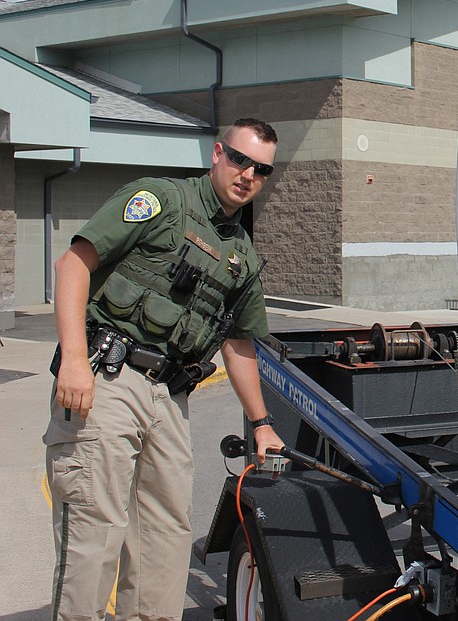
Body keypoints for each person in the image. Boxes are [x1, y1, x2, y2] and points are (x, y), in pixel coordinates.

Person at [45, 118, 285, 621]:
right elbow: (74, 263)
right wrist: (72, 358)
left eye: (261, 169)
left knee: (165, 540)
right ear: (218, 153)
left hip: (169, 400)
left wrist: (262, 423)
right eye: (240, 160)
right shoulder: (160, 201)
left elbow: (238, 343)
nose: (248, 175)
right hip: (108, 379)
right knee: (95, 532)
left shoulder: (242, 254)